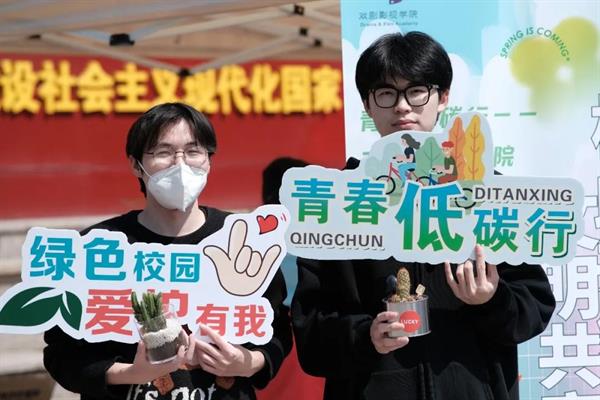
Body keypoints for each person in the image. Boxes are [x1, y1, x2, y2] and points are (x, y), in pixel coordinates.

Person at [291, 32, 555, 400]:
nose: (402, 107)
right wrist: (366, 336)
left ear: (442, 97)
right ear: (367, 104)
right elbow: (310, 333)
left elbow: (535, 307)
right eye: (386, 93)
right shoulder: (335, 201)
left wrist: (491, 300)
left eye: (417, 91)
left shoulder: (486, 191)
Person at [44, 102, 292, 400]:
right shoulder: (99, 247)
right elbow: (62, 354)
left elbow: (277, 330)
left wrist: (247, 362)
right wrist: (131, 373)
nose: (180, 164)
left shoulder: (242, 239)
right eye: (163, 152)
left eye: (193, 151)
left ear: (209, 161)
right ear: (136, 164)